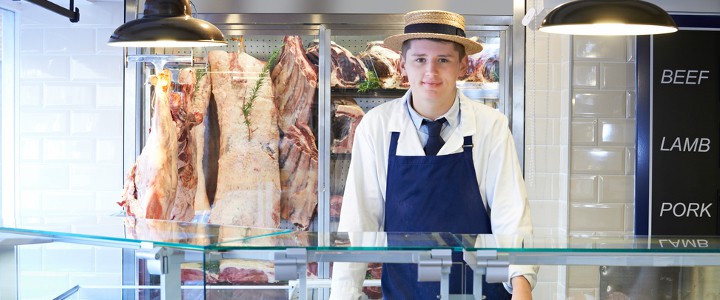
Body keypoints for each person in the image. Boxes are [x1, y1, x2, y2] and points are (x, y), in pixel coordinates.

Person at [329, 9, 537, 300]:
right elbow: (358, 222)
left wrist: (521, 286)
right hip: (405, 291)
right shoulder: (376, 127)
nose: (431, 72)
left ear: (462, 64)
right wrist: (343, 294)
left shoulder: (491, 126)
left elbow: (510, 215)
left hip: (479, 292)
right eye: (420, 60)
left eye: (443, 60)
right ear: (403, 65)